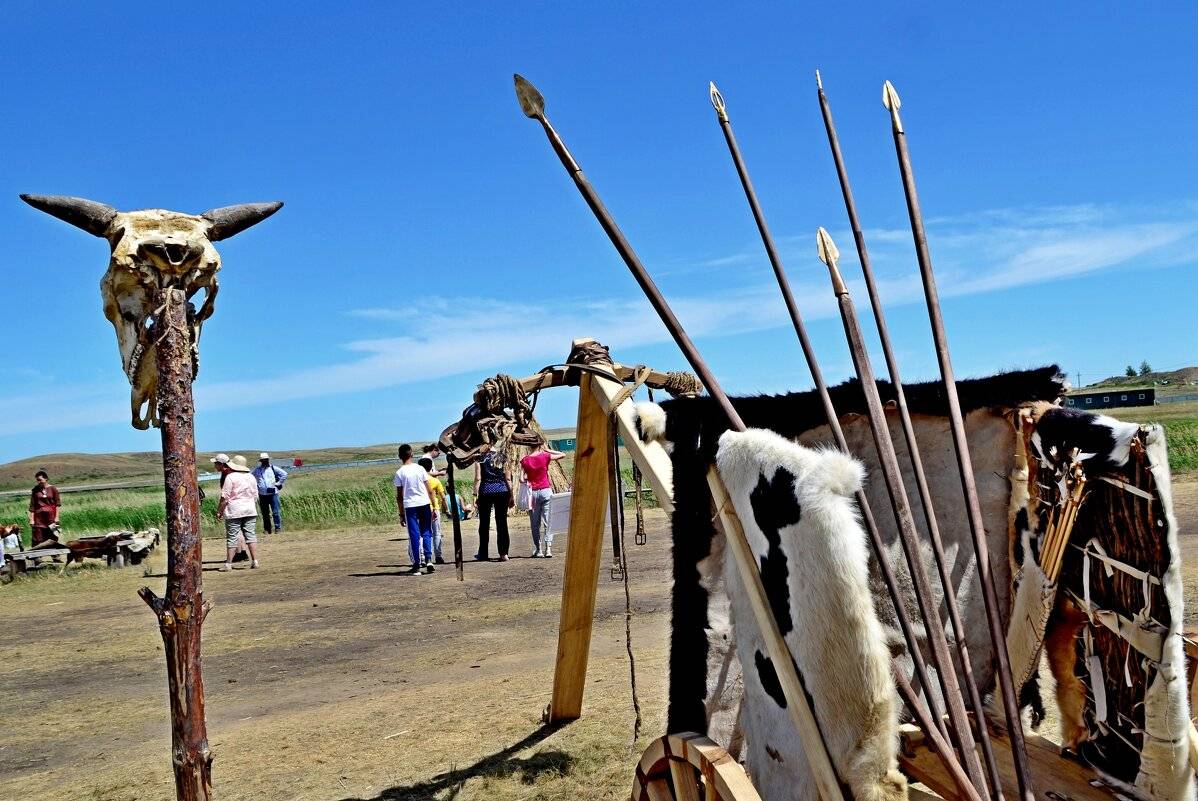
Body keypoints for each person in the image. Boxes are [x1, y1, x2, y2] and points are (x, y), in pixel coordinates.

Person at [520, 440, 567, 557]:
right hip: (546, 491)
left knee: (535, 524)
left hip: (533, 494)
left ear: (529, 446)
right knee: (548, 521)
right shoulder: (545, 456)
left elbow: (521, 479)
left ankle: (538, 549)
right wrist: (547, 450)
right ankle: (548, 549)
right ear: (539, 445)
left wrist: (528, 477)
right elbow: (563, 455)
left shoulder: (525, 460)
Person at [395, 444, 435, 574]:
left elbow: (399, 496)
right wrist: (433, 506)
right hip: (424, 503)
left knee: (414, 535)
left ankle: (417, 564)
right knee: (427, 531)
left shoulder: (400, 472)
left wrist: (401, 514)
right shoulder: (420, 469)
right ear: (411, 454)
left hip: (410, 505)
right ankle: (428, 559)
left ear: (400, 456)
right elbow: (429, 490)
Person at [215, 455, 260, 571]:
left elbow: (225, 496)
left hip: (234, 510)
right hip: (250, 509)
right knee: (251, 535)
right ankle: (255, 561)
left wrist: (219, 510)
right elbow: (255, 495)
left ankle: (228, 563)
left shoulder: (230, 477)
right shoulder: (251, 477)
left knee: (232, 537)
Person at [473, 449, 514, 561]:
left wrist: (474, 495)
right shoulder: (503, 457)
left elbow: (478, 478)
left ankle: (483, 554)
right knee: (502, 523)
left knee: (484, 523)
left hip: (485, 491)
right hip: (502, 491)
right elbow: (508, 479)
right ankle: (503, 553)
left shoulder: (480, 458)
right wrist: (511, 496)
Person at [419, 456, 448, 564]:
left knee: (423, 533)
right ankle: (438, 555)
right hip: (434, 508)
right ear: (431, 467)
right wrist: (447, 509)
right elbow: (443, 496)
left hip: (422, 508)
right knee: (437, 532)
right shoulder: (435, 481)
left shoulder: (419, 482)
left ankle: (423, 556)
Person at [252, 452, 288, 534]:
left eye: (266, 460)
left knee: (276, 512)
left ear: (268, 460)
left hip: (273, 493)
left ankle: (278, 528)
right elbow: (251, 477)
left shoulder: (273, 468)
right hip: (262, 494)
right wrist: (256, 486)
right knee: (265, 513)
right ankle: (267, 529)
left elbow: (284, 474)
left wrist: (278, 483)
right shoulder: (257, 470)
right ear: (261, 461)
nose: (265, 461)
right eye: (263, 460)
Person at [28, 470, 61, 549]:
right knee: (37, 537)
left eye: (40, 479)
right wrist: (31, 519)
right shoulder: (35, 490)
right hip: (39, 517)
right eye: (37, 480)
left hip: (51, 516)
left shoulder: (53, 489)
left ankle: (55, 556)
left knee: (53, 535)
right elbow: (32, 506)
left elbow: (57, 504)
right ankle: (36, 556)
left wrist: (57, 517)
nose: (38, 482)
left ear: (46, 478)